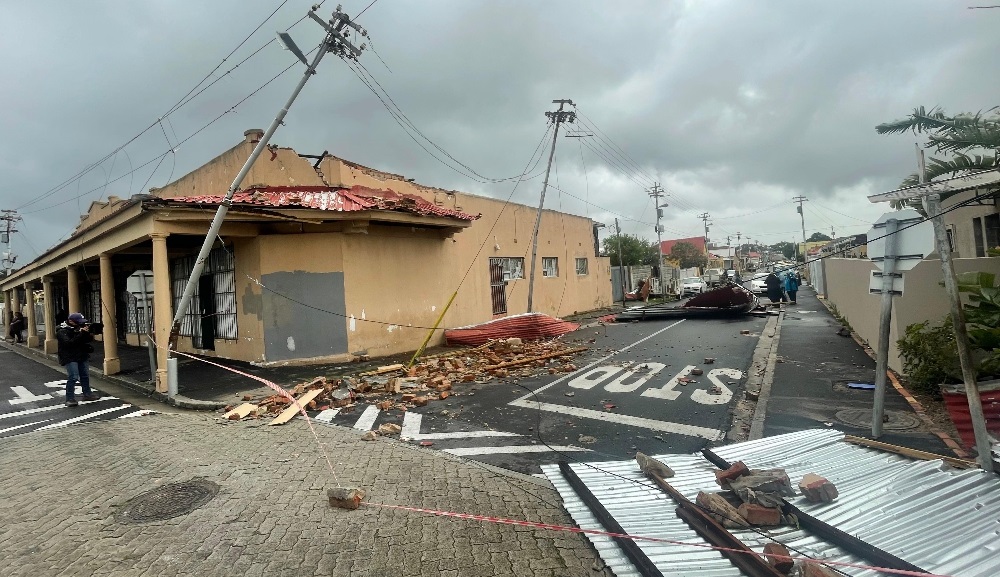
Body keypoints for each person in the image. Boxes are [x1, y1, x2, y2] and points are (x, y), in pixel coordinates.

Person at [56, 312, 99, 407]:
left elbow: (86, 340)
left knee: (85, 375)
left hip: (81, 354)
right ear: (71, 321)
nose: (80, 324)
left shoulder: (78, 329)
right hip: (69, 357)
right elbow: (69, 343)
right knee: (73, 376)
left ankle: (87, 394)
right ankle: (70, 398)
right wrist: (81, 333)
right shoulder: (62, 331)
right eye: (78, 322)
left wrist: (87, 333)